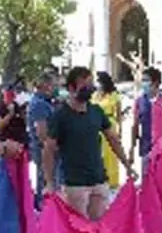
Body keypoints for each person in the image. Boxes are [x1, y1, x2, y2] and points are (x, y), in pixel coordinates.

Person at [42, 66, 137, 220]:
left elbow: (113, 139)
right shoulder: (60, 115)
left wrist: (127, 165)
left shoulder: (96, 111)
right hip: (75, 183)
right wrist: (49, 182)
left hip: (99, 180)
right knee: (78, 230)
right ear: (72, 88)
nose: (90, 88)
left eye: (91, 84)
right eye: (84, 85)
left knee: (98, 228)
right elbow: (49, 149)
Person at [131, 67, 162, 168]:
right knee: (146, 178)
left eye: (146, 80)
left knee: (161, 181)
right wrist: (132, 148)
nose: (143, 83)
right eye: (142, 80)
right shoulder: (139, 102)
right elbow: (135, 126)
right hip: (145, 147)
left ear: (155, 82)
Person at [26, 71, 59, 206]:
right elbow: (42, 133)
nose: (55, 88)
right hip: (45, 151)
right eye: (53, 85)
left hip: (45, 149)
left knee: (46, 180)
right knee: (47, 182)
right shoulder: (39, 104)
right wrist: (54, 148)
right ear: (46, 85)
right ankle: (44, 212)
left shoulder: (43, 102)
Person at [94, 71, 124, 190]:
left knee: (111, 152)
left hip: (110, 122)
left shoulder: (114, 95)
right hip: (96, 125)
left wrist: (120, 130)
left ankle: (112, 180)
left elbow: (119, 115)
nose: (97, 84)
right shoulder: (94, 95)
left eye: (99, 82)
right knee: (98, 153)